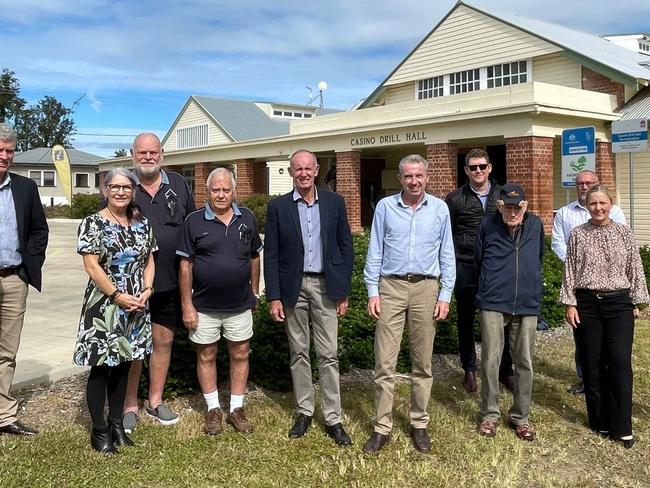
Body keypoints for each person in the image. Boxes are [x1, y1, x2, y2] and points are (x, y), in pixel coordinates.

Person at [363, 154, 456, 454]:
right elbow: (375, 249)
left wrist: (445, 294)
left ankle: (419, 423)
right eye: (408, 176)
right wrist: (372, 291)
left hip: (426, 288)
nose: (413, 181)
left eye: (419, 176)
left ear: (427, 177)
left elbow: (447, 255)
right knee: (384, 362)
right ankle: (382, 426)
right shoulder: (386, 208)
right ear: (400, 178)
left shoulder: (440, 209)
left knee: (423, 362)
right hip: (390, 287)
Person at [264, 149, 354, 446]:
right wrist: (273, 296)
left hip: (326, 286)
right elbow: (272, 255)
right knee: (299, 352)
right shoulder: (278, 207)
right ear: (291, 173)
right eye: (297, 169)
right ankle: (304, 411)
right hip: (293, 288)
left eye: (308, 168)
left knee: (328, 354)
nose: (303, 173)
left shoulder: (335, 203)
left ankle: (333, 417)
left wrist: (343, 291)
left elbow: (345, 248)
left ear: (316, 170)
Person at [74, 168, 157, 454]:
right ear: (105, 189)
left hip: (136, 304)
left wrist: (147, 290)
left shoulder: (142, 224)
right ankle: (99, 431)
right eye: (115, 187)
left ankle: (117, 424)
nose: (121, 192)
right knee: (102, 367)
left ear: (133, 191)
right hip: (105, 305)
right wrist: (117, 295)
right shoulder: (93, 224)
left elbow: (148, 260)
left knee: (125, 364)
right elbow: (91, 265)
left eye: (127, 187)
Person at [560, 184, 648, 449]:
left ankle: (622, 426)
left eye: (603, 203)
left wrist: (637, 300)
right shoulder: (578, 234)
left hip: (618, 304)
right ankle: (599, 421)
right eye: (593, 203)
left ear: (611, 204)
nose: (598, 208)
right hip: (587, 305)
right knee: (593, 364)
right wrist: (569, 303)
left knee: (619, 363)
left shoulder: (624, 233)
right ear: (587, 206)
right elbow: (570, 271)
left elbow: (635, 268)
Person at [177, 168, 262, 435]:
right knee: (206, 354)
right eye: (216, 190)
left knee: (240, 353)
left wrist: (255, 291)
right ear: (208, 190)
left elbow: (254, 257)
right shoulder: (193, 221)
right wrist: (187, 305)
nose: (221, 195)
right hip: (203, 305)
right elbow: (185, 266)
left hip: (239, 304)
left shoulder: (246, 217)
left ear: (234, 191)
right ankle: (213, 409)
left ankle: (236, 408)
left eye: (226, 190)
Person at [122, 133, 195, 433]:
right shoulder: (123, 185)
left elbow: (192, 226)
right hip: (132, 286)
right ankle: (129, 405)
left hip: (169, 281)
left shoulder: (178, 184)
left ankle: (155, 400)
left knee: (163, 341)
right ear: (133, 154)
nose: (148, 157)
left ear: (162, 154)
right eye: (142, 152)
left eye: (153, 152)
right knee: (134, 346)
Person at [475, 183, 543, 442]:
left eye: (518, 207)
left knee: (524, 362)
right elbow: (479, 259)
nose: (513, 212)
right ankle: (490, 415)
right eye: (508, 207)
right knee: (490, 361)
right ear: (500, 206)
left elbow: (538, 258)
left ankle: (521, 417)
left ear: (525, 206)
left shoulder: (535, 225)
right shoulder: (487, 225)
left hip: (526, 303)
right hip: (493, 301)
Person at [551, 170, 626, 395]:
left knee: (611, 341)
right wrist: (580, 265)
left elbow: (623, 244)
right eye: (580, 183)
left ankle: (608, 379)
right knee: (584, 337)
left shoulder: (616, 212)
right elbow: (557, 244)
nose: (584, 186)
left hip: (611, 286)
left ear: (597, 185)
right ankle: (586, 379)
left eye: (589, 183)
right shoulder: (565, 213)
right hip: (579, 283)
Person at [445, 148, 514, 393]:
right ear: (466, 170)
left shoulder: (503, 195)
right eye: (473, 167)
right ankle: (470, 369)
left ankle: (505, 370)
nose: (478, 171)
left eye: (482, 166)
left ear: (490, 168)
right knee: (466, 320)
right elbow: (447, 236)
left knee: (502, 320)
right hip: (465, 266)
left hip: (496, 267)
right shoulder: (454, 199)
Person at [0, 123, 48, 437]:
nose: (4, 156)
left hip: (13, 279)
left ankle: (4, 417)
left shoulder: (25, 188)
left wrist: (25, 269)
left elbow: (38, 232)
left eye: (8, 150)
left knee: (6, 352)